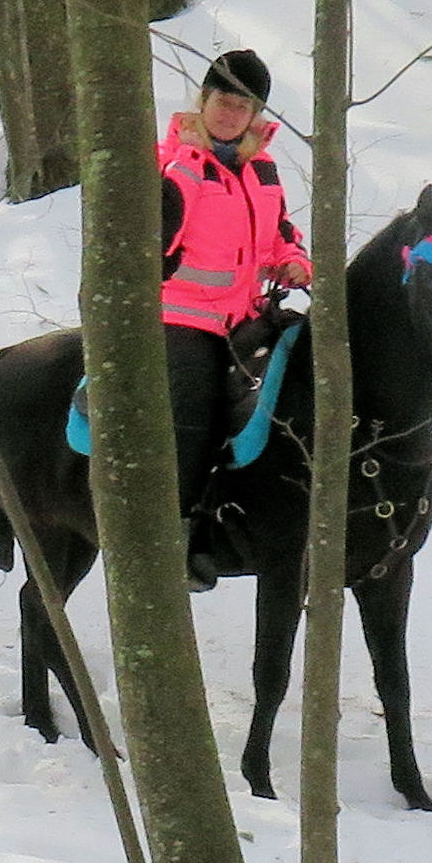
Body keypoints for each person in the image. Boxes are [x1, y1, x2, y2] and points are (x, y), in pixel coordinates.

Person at [159, 48, 312, 588]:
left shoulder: (262, 170)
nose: (229, 112)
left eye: (241, 104)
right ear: (203, 101)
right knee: (195, 411)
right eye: (221, 100)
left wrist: (293, 262)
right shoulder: (178, 164)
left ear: (255, 114)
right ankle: (174, 540)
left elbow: (279, 235)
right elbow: (160, 238)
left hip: (244, 317)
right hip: (181, 318)